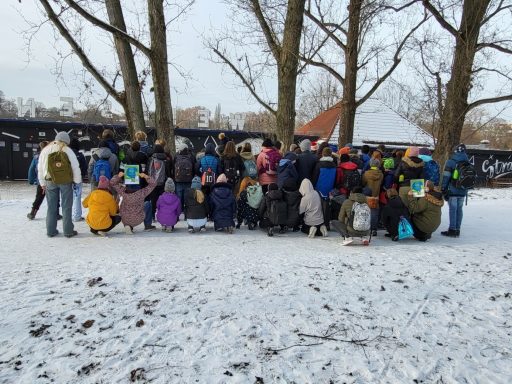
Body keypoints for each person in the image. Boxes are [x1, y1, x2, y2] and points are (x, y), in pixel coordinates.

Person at [37, 131, 82, 238]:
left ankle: (51, 231)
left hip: (50, 180)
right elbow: (75, 167)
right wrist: (77, 181)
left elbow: (40, 168)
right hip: (65, 181)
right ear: (67, 141)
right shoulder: (67, 150)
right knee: (66, 206)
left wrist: (42, 182)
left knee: (51, 206)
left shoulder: (46, 150)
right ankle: (68, 231)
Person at [441, 143, 470, 237]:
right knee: (459, 209)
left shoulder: (451, 162)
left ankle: (452, 230)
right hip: (463, 190)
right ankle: (457, 229)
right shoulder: (467, 162)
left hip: (452, 190)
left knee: (453, 209)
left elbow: (446, 176)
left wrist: (443, 188)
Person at [147, 144, 173, 220]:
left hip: (152, 183)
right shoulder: (166, 160)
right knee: (163, 200)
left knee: (153, 199)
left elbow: (147, 171)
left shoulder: (150, 159)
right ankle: (162, 215)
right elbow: (168, 172)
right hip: (163, 183)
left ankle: (152, 216)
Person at [27, 141, 49, 220]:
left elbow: (32, 169)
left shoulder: (37, 156)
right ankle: (55, 214)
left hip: (41, 181)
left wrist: (31, 180)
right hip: (51, 181)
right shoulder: (51, 155)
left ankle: (33, 212)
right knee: (54, 198)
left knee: (39, 197)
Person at [362, 158, 383, 236]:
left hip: (367, 195)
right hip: (376, 195)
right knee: (374, 213)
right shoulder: (381, 175)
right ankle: (374, 229)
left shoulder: (366, 174)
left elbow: (363, 183)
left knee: (365, 212)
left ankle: (365, 228)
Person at [69, 138, 87, 222]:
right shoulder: (80, 155)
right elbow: (84, 167)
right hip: (77, 179)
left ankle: (67, 215)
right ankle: (77, 216)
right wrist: (82, 176)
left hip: (67, 179)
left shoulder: (66, 154)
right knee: (77, 197)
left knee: (67, 198)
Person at [174, 144, 196, 210]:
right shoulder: (191, 156)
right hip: (188, 179)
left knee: (179, 196)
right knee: (187, 196)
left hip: (178, 179)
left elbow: (173, 166)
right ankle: (187, 210)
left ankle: (179, 210)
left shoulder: (176, 156)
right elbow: (194, 167)